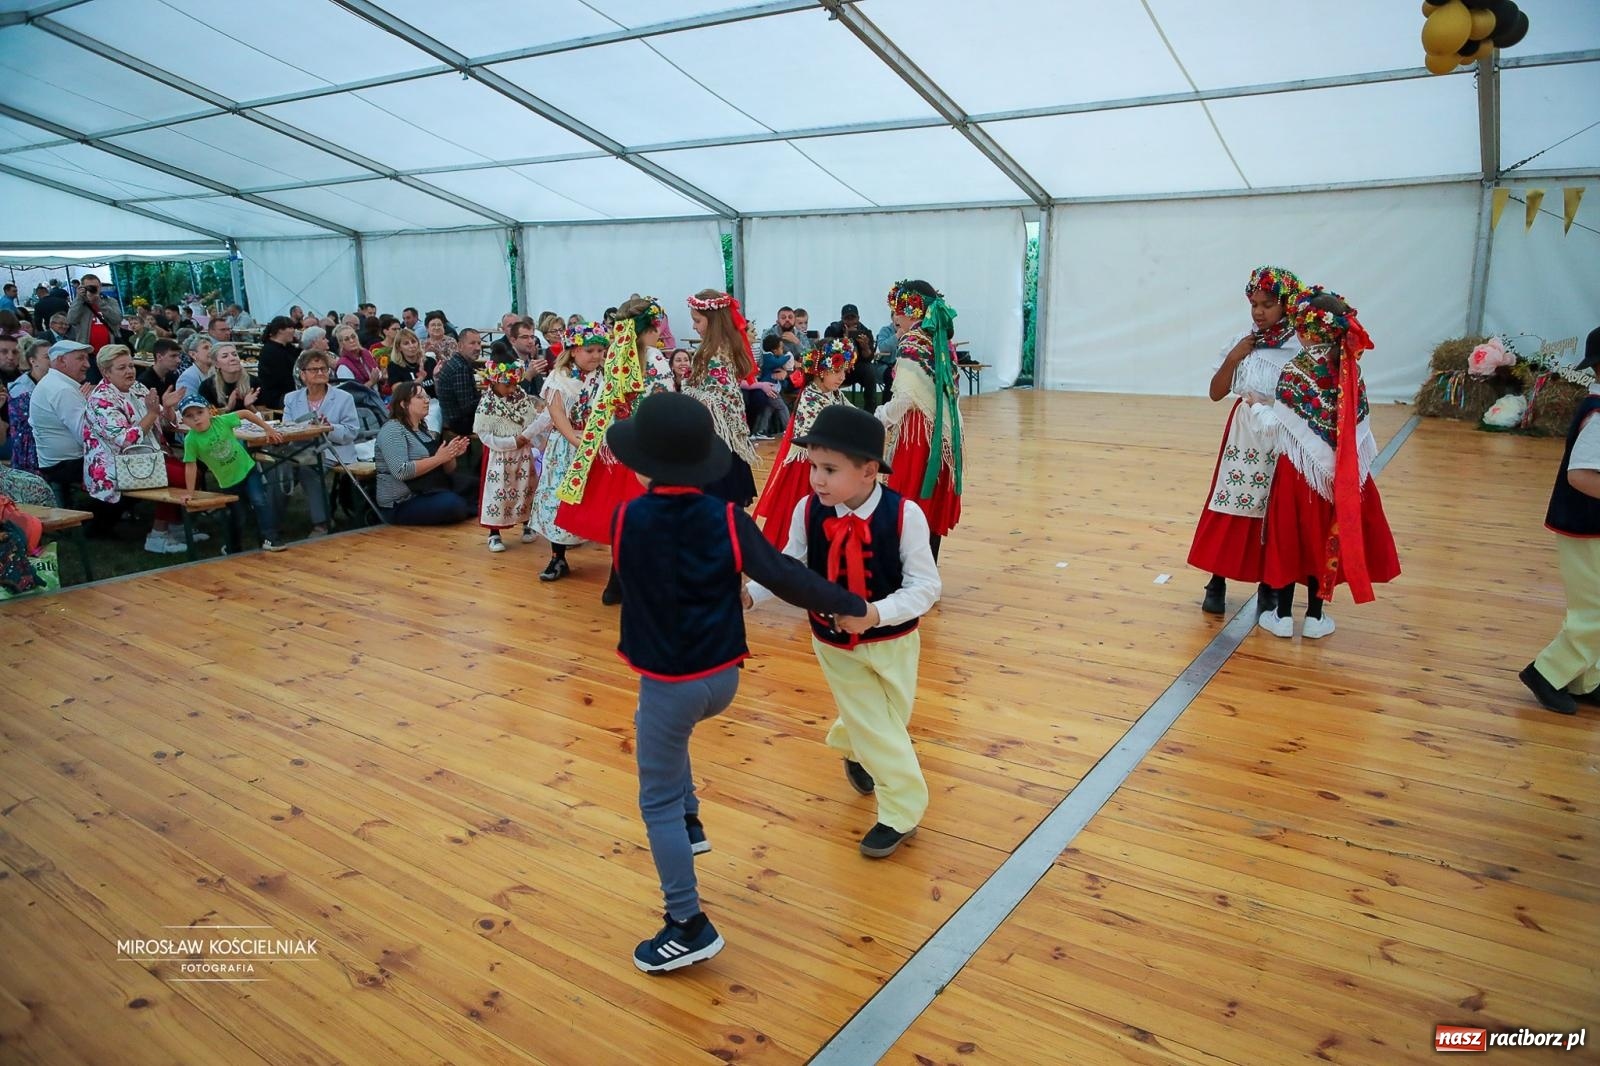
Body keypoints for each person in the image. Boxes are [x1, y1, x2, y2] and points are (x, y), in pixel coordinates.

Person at [605, 391, 870, 973]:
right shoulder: (726, 518)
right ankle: (692, 817)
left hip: (669, 685)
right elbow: (783, 574)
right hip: (723, 678)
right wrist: (849, 602)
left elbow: (622, 584)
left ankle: (687, 923)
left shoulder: (627, 518)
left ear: (644, 463)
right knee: (666, 743)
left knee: (654, 799)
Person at [746, 403, 940, 859]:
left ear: (869, 471)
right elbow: (788, 564)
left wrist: (874, 613)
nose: (816, 479)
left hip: (893, 640)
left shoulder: (905, 515)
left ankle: (852, 745)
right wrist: (752, 593)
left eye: (829, 469)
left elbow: (926, 586)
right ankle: (901, 812)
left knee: (890, 716)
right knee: (884, 730)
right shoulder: (807, 509)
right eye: (813, 466)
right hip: (831, 641)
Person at [1256, 286, 1401, 638]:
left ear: (1305, 330)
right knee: (1324, 537)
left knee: (1290, 536)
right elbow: (1359, 428)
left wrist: (1256, 408)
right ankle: (1317, 617)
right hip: (1338, 475)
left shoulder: (1297, 368)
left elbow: (1279, 425)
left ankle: (1284, 615)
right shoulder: (1350, 372)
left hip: (1298, 471)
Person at [1187, 266, 1304, 617]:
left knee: (1275, 509)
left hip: (1282, 433)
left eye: (1267, 304)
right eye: (1254, 303)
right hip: (1246, 433)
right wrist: (1235, 356)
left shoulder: (1299, 346)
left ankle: (1269, 583)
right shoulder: (1243, 341)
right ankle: (1216, 580)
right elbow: (1215, 392)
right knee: (1232, 501)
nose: (1258, 311)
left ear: (1286, 305)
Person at [555, 297, 676, 604]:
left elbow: (602, 403)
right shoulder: (656, 359)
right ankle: (635, 584)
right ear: (648, 328)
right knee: (648, 520)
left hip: (615, 448)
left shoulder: (614, 358)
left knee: (623, 518)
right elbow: (663, 404)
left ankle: (617, 583)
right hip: (646, 450)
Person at [1520, 328, 1600, 715]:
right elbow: (1579, 475)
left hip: (1591, 527)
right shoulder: (1599, 416)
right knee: (1594, 611)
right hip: (1586, 529)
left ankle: (1586, 679)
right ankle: (1546, 672)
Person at [878, 280, 963, 561]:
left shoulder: (913, 342)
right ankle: (927, 573)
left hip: (918, 432)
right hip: (943, 429)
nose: (894, 318)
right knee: (928, 500)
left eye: (897, 310)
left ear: (911, 310)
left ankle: (907, 575)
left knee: (908, 498)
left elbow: (906, 397)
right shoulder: (940, 341)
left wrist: (879, 418)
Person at [754, 337, 855, 549]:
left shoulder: (833, 393)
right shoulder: (810, 397)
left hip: (827, 464)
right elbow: (811, 439)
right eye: (837, 371)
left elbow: (853, 416)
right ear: (820, 370)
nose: (842, 377)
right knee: (801, 522)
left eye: (844, 371)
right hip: (807, 469)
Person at [529, 323, 607, 580]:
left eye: (599, 350)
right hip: (568, 444)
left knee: (594, 495)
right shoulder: (560, 377)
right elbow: (557, 413)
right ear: (574, 351)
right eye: (590, 350)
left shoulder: (603, 375)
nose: (596, 355)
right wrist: (577, 442)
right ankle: (557, 557)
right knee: (559, 498)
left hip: (596, 441)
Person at [81, 345, 173, 551]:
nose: (130, 371)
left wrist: (167, 407)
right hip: (116, 465)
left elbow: (164, 422)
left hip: (145, 457)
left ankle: (175, 525)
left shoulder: (137, 388)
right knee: (178, 474)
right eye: (122, 368)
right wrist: (151, 414)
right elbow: (125, 440)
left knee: (195, 467)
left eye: (131, 365)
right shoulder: (101, 399)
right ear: (106, 372)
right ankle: (158, 536)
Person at [178, 394, 287, 552]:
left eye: (200, 413)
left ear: (210, 411)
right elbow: (190, 466)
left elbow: (246, 413)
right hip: (228, 481)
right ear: (184, 421)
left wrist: (268, 429)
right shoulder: (191, 440)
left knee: (260, 501)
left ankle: (270, 538)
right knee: (237, 516)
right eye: (190, 416)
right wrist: (189, 492)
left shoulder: (222, 421)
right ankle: (232, 547)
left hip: (247, 469)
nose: (196, 419)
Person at [682, 289, 760, 507]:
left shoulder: (712, 351)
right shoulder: (723, 345)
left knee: (716, 498)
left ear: (713, 320)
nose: (693, 326)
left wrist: (688, 396)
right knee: (726, 502)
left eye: (697, 321)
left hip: (715, 437)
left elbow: (715, 396)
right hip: (726, 437)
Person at [279, 349, 359, 536]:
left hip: (332, 449)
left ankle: (321, 523)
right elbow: (286, 427)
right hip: (299, 448)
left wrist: (330, 428)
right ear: (303, 374)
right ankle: (272, 523)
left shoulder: (344, 398)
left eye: (323, 369)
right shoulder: (292, 398)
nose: (320, 373)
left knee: (310, 470)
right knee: (278, 470)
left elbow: (352, 431)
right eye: (314, 369)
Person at [374, 382, 475, 525]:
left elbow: (448, 470)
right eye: (419, 397)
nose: (427, 400)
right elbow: (401, 471)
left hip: (430, 490)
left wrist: (450, 455)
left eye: (426, 396)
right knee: (452, 504)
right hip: (402, 502)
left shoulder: (424, 430)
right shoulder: (392, 429)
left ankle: (466, 506)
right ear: (404, 404)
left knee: (476, 486)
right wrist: (439, 458)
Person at [473, 356, 542, 552]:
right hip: (499, 456)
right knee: (498, 492)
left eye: (514, 385)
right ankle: (494, 533)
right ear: (494, 382)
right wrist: (511, 442)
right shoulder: (487, 404)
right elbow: (484, 434)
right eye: (507, 386)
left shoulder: (519, 395)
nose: (512, 390)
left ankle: (527, 523)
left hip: (522, 454)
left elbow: (530, 418)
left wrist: (528, 437)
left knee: (526, 488)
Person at [32, 340, 96, 510]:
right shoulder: (63, 389)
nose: (87, 365)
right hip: (65, 465)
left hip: (55, 462)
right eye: (81, 359)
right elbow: (87, 437)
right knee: (127, 468)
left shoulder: (53, 383)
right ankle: (96, 523)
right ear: (61, 360)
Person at [5, 337, 52, 474]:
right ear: (33, 361)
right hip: (27, 452)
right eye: (47, 357)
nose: (53, 360)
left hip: (46, 446)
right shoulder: (20, 389)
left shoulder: (52, 382)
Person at [826, 304, 881, 411]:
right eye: (847, 318)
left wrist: (865, 347)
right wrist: (846, 339)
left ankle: (870, 410)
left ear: (858, 318)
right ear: (842, 319)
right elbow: (828, 353)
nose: (850, 322)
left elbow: (868, 358)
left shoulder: (865, 332)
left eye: (853, 318)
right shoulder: (833, 330)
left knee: (869, 370)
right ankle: (829, 407)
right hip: (837, 367)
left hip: (856, 369)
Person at [434, 332, 482, 438]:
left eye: (479, 343)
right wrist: (489, 397)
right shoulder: (460, 368)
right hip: (460, 424)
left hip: (453, 419)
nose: (478, 348)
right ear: (460, 346)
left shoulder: (457, 362)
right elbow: (467, 407)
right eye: (472, 343)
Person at [749, 333, 792, 439]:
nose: (783, 351)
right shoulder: (768, 357)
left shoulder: (770, 356)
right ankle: (789, 430)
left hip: (772, 387)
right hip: (769, 387)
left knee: (768, 409)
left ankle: (759, 431)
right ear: (774, 350)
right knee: (782, 407)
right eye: (781, 348)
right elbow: (778, 362)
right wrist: (788, 356)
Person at [65, 273, 122, 352]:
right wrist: (79, 298)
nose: (92, 289)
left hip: (110, 350)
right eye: (88, 287)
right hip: (87, 351)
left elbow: (117, 319)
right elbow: (71, 320)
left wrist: (99, 302)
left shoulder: (110, 301)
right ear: (82, 288)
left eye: (95, 287)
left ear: (100, 287)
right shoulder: (80, 304)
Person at [256, 316, 299, 411]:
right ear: (280, 330)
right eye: (290, 328)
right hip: (277, 396)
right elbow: (284, 378)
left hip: (289, 392)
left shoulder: (288, 348)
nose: (293, 331)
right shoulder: (270, 351)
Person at [199, 344, 259, 413]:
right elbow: (206, 418)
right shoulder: (207, 386)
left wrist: (249, 406)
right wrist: (228, 408)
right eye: (225, 356)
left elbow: (266, 418)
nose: (232, 358)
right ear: (216, 364)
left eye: (235, 354)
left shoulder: (254, 382)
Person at [333, 325, 382, 392]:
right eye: (347, 339)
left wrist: (383, 375)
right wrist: (371, 382)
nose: (352, 340)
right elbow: (351, 393)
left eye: (353, 337)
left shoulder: (366, 353)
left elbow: (378, 374)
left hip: (377, 395)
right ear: (341, 344)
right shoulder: (343, 366)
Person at [385, 329, 435, 393]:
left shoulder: (430, 361)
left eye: (413, 342)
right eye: (406, 343)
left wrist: (437, 377)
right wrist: (420, 379)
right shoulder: (394, 366)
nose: (411, 346)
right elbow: (398, 391)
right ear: (399, 348)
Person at [175, 335, 215, 400]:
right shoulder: (187, 378)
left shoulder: (218, 371)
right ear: (193, 354)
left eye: (212, 347)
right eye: (206, 348)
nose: (211, 350)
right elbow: (190, 407)